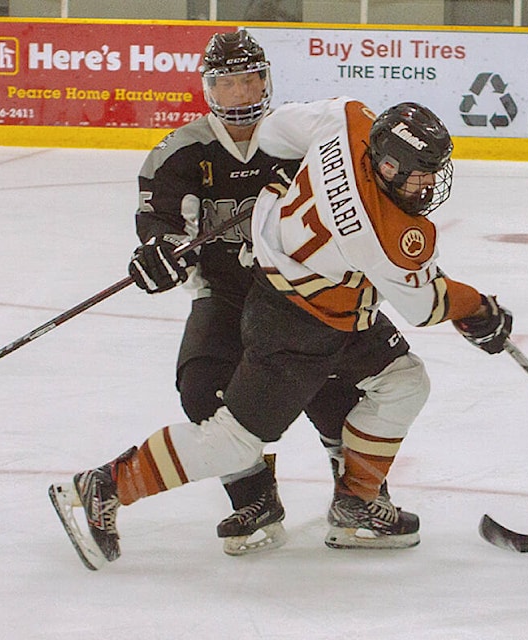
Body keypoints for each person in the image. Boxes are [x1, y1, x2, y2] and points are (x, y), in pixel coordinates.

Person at [49, 97, 512, 570]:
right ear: (389, 165)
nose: (430, 183)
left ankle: (356, 503)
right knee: (233, 441)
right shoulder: (384, 232)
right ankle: (105, 485)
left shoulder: (349, 120)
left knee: (403, 381)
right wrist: (479, 309)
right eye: (421, 172)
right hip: (299, 328)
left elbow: (272, 136)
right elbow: (425, 304)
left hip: (294, 292)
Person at [125, 28, 361, 556]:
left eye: (252, 79)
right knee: (201, 386)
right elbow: (158, 220)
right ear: (210, 88)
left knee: (333, 385)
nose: (242, 92)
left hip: (299, 296)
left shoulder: (301, 140)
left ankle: (359, 495)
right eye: (229, 83)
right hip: (226, 295)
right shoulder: (181, 152)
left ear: (266, 82)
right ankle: (254, 496)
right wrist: (159, 250)